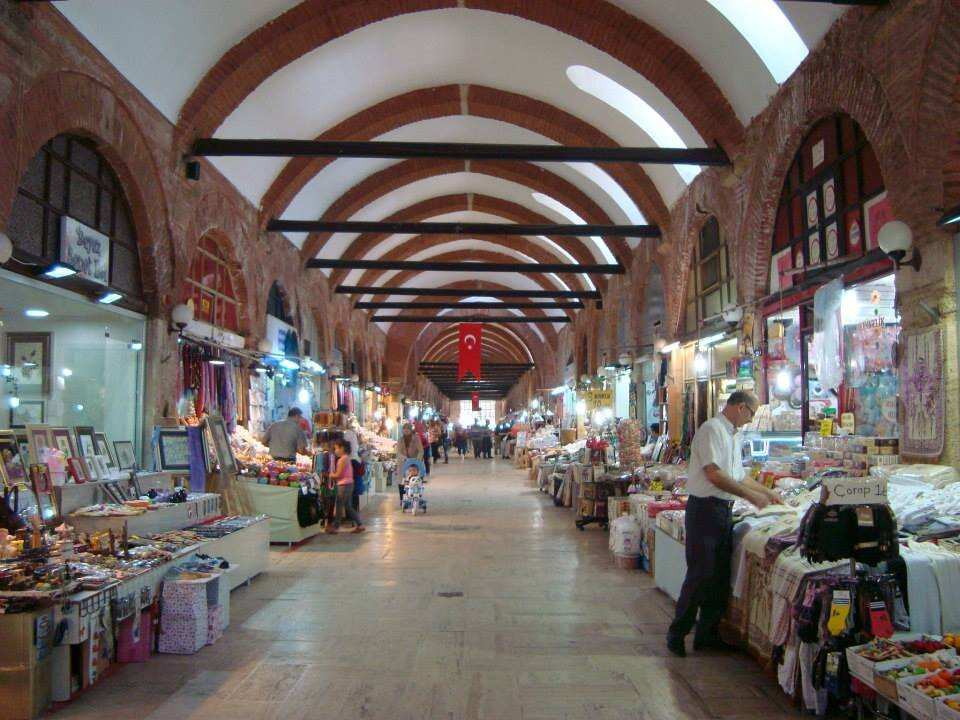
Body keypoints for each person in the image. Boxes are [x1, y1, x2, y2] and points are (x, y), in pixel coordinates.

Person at [666, 391, 783, 658]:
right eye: (751, 414)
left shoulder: (733, 435)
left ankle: (707, 634)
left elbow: (738, 475)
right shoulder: (712, 430)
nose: (751, 420)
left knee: (718, 576)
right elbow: (715, 475)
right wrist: (751, 496)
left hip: (722, 510)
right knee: (700, 573)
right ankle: (677, 633)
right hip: (705, 511)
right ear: (741, 408)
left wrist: (766, 492)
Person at [326, 439, 365, 534]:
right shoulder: (346, 458)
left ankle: (336, 526)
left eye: (336, 449)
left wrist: (330, 475)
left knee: (340, 506)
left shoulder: (343, 459)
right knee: (347, 506)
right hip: (348, 484)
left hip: (344, 485)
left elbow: (338, 474)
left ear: (342, 448)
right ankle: (359, 524)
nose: (335, 451)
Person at [396, 423, 424, 505]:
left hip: (414, 464)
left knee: (414, 482)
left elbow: (421, 451)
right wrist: (404, 458)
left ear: (411, 430)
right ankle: (402, 500)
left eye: (408, 429)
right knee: (402, 482)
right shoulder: (400, 440)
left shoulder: (416, 439)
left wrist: (417, 460)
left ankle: (415, 498)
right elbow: (398, 452)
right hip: (403, 464)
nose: (406, 430)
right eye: (404, 429)